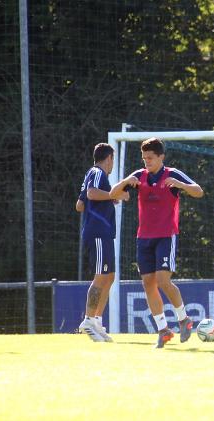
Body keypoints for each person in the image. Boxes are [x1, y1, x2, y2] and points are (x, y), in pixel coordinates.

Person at [110, 138, 204, 348]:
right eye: (144, 158)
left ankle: (183, 319)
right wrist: (125, 182)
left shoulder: (172, 174)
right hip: (143, 238)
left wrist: (180, 185)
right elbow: (113, 193)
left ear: (161, 157)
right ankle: (163, 330)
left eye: (150, 158)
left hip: (166, 235)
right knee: (148, 284)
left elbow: (198, 191)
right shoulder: (139, 176)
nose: (147, 162)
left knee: (162, 280)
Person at [76, 143, 128, 342]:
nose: (112, 163)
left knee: (110, 276)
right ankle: (88, 320)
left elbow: (80, 205)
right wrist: (112, 195)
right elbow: (90, 194)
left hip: (103, 232)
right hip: (98, 232)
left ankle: (96, 320)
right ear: (109, 158)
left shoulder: (92, 174)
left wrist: (107, 199)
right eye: (113, 159)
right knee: (101, 276)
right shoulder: (97, 172)